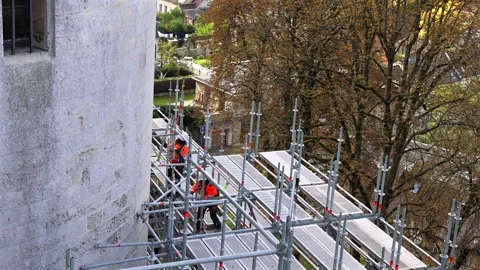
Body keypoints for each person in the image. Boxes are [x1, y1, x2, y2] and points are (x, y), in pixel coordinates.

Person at [166, 132, 189, 197]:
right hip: (171, 162)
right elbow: (169, 149)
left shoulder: (185, 147)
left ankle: (177, 192)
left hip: (179, 164)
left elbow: (184, 159)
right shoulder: (175, 143)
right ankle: (169, 191)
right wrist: (168, 149)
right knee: (169, 176)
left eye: (181, 139)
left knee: (177, 178)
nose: (179, 139)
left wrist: (177, 160)